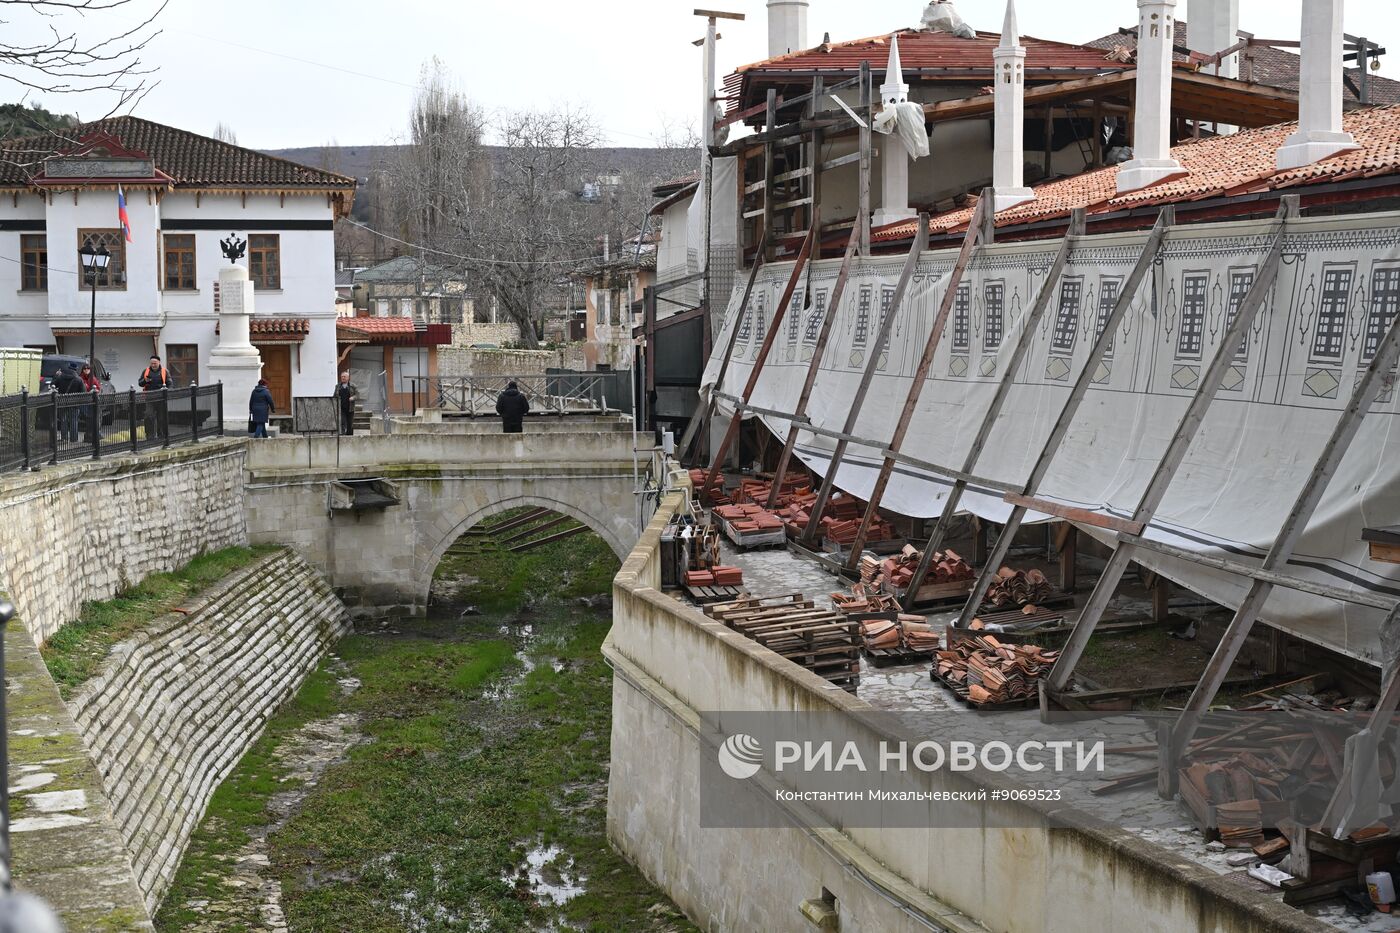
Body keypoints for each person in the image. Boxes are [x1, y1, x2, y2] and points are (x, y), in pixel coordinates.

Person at [138, 354, 171, 440]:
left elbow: (170, 383)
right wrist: (145, 380)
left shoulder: (164, 371)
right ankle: (150, 436)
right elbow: (140, 383)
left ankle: (162, 435)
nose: (153, 365)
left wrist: (167, 390)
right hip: (149, 397)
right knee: (149, 415)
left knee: (161, 417)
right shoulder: (146, 371)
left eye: (155, 363)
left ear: (159, 362)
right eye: (152, 363)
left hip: (161, 397)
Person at [54, 363, 84, 443]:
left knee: (63, 420)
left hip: (63, 402)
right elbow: (83, 393)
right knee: (74, 420)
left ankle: (64, 438)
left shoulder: (61, 377)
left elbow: (53, 385)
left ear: (68, 368)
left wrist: (56, 376)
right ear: (76, 369)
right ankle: (73, 439)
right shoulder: (79, 379)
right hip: (74, 403)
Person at [78, 362, 101, 443]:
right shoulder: (80, 378)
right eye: (85, 369)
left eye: (88, 369)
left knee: (93, 418)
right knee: (88, 418)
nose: (86, 370)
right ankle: (89, 435)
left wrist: (94, 391)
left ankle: (95, 434)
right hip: (83, 400)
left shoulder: (93, 378)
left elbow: (98, 388)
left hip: (92, 400)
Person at [334, 371, 359, 435]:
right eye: (342, 377)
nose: (343, 378)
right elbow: (334, 396)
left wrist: (353, 398)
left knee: (350, 424)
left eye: (344, 376)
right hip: (341, 408)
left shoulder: (353, 386)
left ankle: (350, 436)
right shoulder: (338, 386)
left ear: (348, 378)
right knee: (342, 422)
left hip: (350, 408)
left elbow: (357, 395)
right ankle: (343, 435)